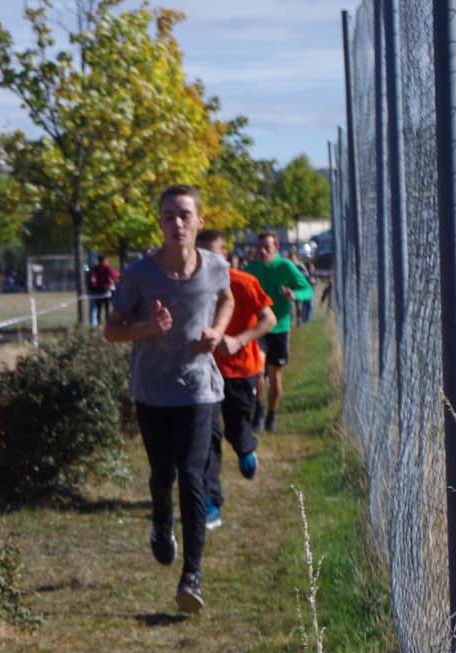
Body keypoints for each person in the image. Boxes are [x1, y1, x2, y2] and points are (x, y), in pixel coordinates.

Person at [103, 185, 233, 613]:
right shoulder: (140, 274)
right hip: (153, 391)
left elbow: (226, 298)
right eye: (168, 216)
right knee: (163, 474)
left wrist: (217, 331)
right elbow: (112, 329)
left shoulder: (216, 267)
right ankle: (162, 522)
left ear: (199, 221)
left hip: (199, 388)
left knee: (193, 476)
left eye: (184, 215)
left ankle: (191, 576)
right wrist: (148, 328)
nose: (176, 223)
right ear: (159, 223)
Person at [198, 229, 275, 529]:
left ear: (225, 255)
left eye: (213, 254)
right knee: (207, 437)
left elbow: (268, 319)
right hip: (204, 372)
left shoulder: (243, 282)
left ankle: (245, 449)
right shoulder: (191, 286)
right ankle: (211, 501)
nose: (207, 260)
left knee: (237, 427)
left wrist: (240, 340)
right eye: (201, 254)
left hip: (241, 370)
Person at [243, 230, 312, 432]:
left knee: (275, 376)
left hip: (280, 327)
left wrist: (294, 294)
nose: (262, 251)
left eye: (267, 247)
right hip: (257, 328)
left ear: (276, 248)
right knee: (257, 371)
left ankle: (271, 416)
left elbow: (307, 289)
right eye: (259, 247)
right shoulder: (251, 269)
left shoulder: (286, 266)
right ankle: (259, 409)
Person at [87, 253, 118, 327]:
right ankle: (106, 324)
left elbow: (92, 278)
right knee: (106, 308)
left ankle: (99, 324)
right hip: (105, 290)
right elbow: (114, 275)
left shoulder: (96, 268)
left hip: (98, 291)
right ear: (105, 260)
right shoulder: (107, 267)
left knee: (99, 308)